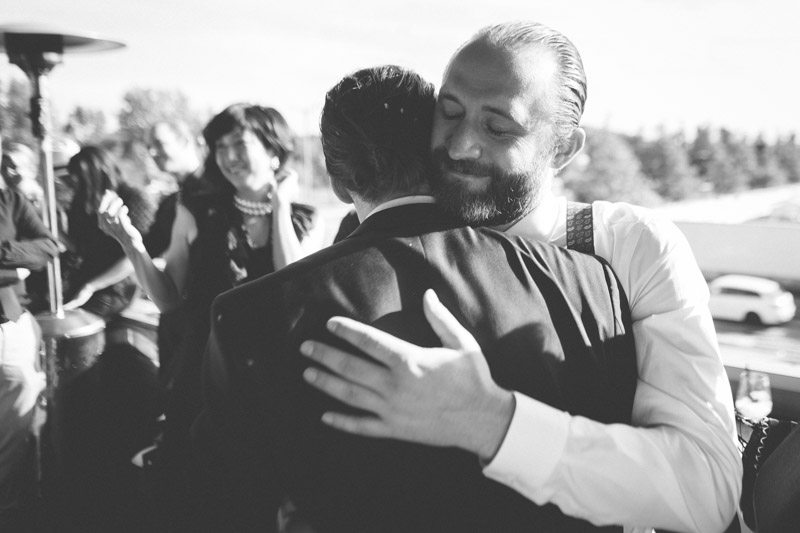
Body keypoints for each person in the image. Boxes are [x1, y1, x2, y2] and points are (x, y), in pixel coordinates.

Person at [300, 21, 741, 533]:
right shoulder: (374, 235)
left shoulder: (632, 248)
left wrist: (492, 421)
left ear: (563, 149)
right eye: (450, 113)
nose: (460, 146)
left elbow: (707, 489)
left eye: (498, 128)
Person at [193, 65, 638, 532]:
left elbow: (226, 506)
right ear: (440, 152)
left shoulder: (251, 315)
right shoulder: (587, 283)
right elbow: (617, 475)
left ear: (339, 183)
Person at [98, 103, 321, 529]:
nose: (228, 156)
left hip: (269, 384)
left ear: (274, 152)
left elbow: (290, 288)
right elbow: (168, 299)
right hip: (201, 377)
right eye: (220, 147)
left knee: (259, 498)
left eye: (239, 144)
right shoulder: (196, 209)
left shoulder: (304, 220)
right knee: (197, 496)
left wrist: (279, 206)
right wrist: (131, 244)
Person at [0, 135, 59, 529]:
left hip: (7, 320)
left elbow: (49, 246)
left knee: (18, 414)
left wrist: (5, 253)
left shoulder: (10, 201)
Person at [59, 146, 157, 320]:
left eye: (81, 182)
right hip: (85, 279)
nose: (76, 188)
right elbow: (80, 248)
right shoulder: (80, 202)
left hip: (117, 286)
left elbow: (137, 257)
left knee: (77, 322)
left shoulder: (134, 198)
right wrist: (57, 231)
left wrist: (91, 286)